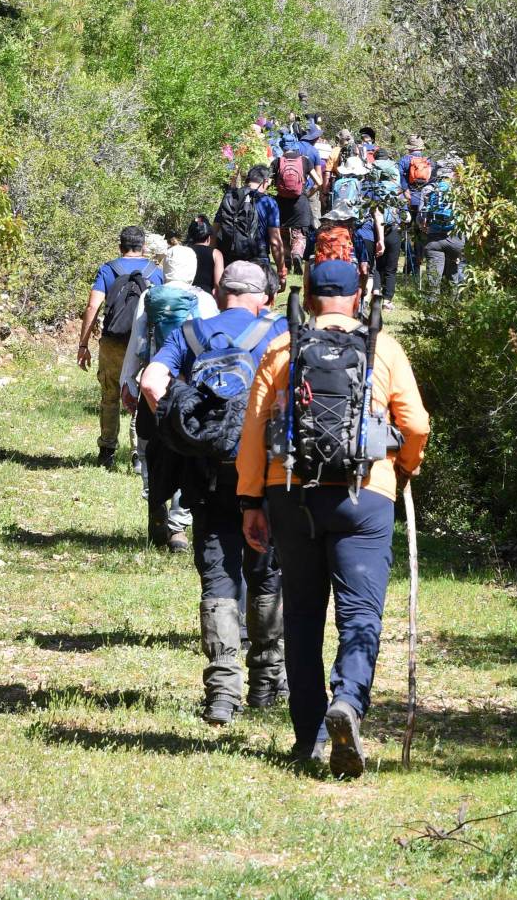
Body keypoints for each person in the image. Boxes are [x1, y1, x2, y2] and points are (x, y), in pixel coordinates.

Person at [237, 260, 430, 775]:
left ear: (311, 298)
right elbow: (415, 423)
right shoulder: (380, 347)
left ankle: (310, 736)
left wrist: (251, 501)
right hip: (365, 494)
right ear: (358, 295)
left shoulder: (283, 348)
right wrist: (402, 470)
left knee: (301, 615)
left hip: (291, 492)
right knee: (360, 613)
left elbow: (254, 431)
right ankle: (347, 701)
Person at [140, 263, 289, 725]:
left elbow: (150, 381)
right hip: (262, 476)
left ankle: (223, 692)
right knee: (266, 574)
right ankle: (267, 681)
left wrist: (183, 431)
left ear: (220, 294)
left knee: (218, 577)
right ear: (262, 298)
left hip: (207, 475)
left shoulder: (191, 331)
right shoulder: (280, 331)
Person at [121, 245, 217, 552]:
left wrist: (128, 381)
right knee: (188, 453)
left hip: (155, 383)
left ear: (165, 267)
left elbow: (138, 342)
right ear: (190, 270)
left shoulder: (150, 297)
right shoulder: (204, 300)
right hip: (189, 390)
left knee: (150, 448)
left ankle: (155, 506)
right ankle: (178, 528)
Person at [77, 227, 163, 466]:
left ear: (120, 246)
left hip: (113, 341)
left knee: (110, 394)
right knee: (141, 394)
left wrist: (83, 344)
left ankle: (107, 450)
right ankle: (138, 453)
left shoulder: (108, 269)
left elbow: (93, 307)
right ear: (143, 247)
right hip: (143, 342)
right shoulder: (155, 272)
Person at [215, 164, 286, 297]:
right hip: (258, 261)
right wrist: (282, 272)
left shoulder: (230, 197)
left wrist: (215, 263)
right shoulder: (269, 203)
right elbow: (275, 241)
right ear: (265, 181)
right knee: (257, 304)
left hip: (230, 260)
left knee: (231, 301)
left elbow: (214, 232)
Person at [272, 137, 321, 276]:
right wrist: (308, 193)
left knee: (284, 234)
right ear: (295, 145)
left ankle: (287, 261)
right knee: (299, 234)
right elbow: (319, 182)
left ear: (282, 146)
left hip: (281, 202)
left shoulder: (277, 162)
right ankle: (297, 254)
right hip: (300, 202)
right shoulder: (305, 161)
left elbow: (267, 183)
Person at [369, 150, 408, 308]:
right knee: (391, 268)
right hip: (394, 230)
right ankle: (387, 300)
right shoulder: (398, 193)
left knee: (377, 265)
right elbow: (408, 217)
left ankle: (376, 293)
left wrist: (380, 239)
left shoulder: (374, 192)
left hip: (376, 230)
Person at [417, 161, 464, 291]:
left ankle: (432, 309)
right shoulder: (460, 190)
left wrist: (426, 228)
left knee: (433, 279)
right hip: (456, 239)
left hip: (434, 240)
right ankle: (451, 306)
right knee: (453, 276)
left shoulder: (428, 189)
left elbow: (421, 219)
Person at [185, 215, 223, 297]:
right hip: (207, 298)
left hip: (186, 297)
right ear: (209, 238)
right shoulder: (216, 254)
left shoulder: (184, 251)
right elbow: (218, 284)